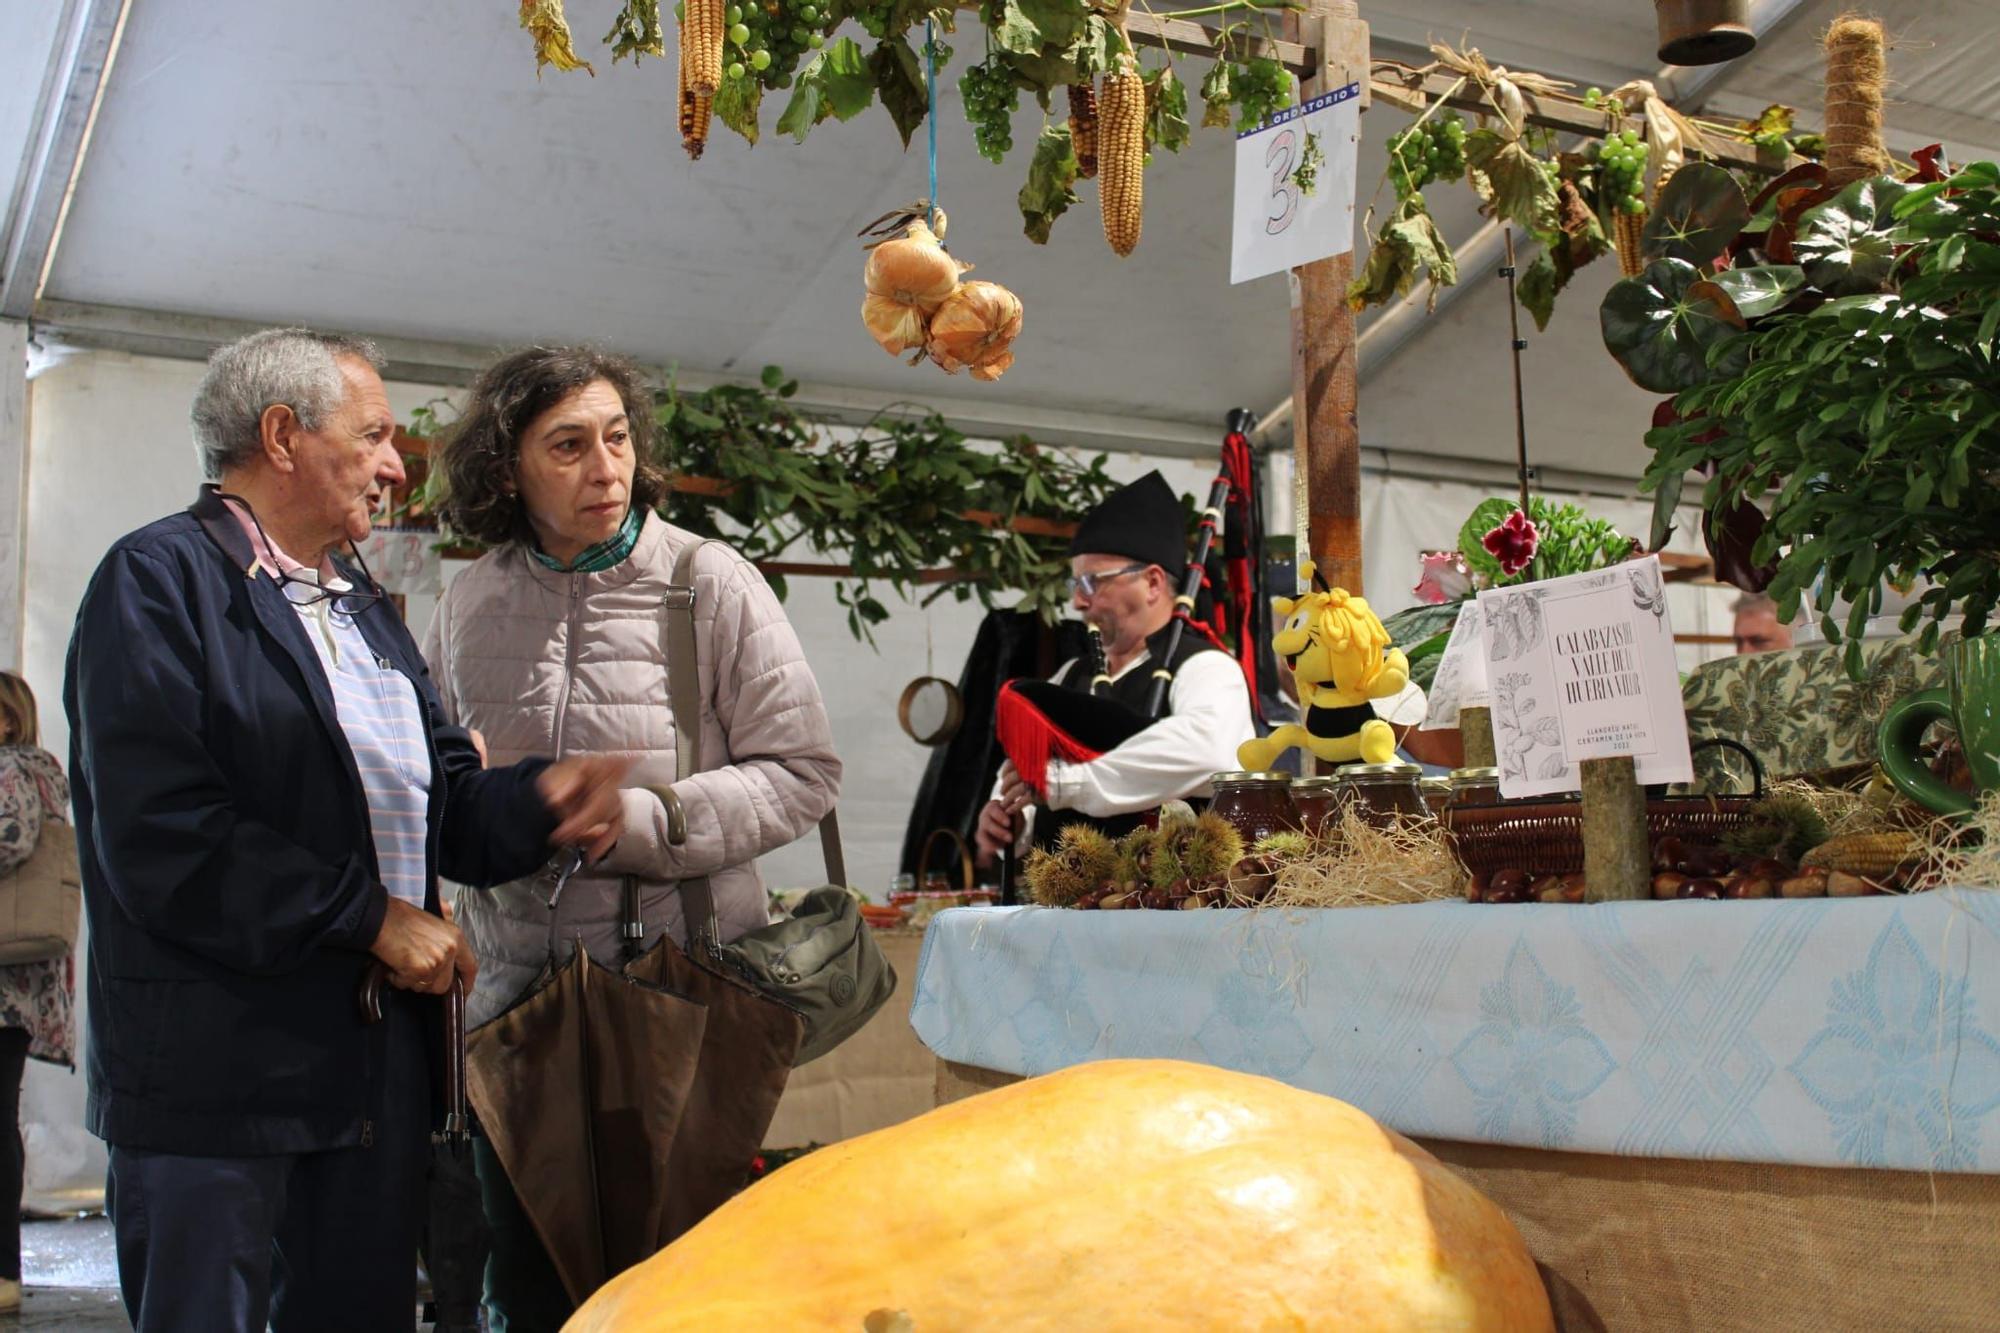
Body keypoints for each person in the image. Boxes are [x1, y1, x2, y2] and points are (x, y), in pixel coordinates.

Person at [62, 328, 630, 1333]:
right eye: (371, 436)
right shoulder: (160, 582)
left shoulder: (360, 604)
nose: (393, 465)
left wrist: (541, 798)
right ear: (282, 435)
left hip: (365, 1077)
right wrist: (370, 917)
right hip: (216, 1084)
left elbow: (441, 800)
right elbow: (164, 833)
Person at [422, 345, 841, 1330]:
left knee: (686, 1292)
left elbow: (804, 773)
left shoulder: (709, 582)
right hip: (517, 1006)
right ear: (505, 467)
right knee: (527, 1284)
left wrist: (648, 820)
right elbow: (440, 790)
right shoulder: (468, 601)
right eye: (566, 446)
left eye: (615, 439)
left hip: (683, 995)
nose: (604, 467)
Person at [974, 471, 1255, 862]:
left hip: (1169, 912)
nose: (1077, 603)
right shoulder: (1069, 677)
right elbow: (1026, 769)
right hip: (1068, 911)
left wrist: (1066, 783)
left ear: (1152, 583)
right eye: (1075, 586)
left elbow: (1208, 754)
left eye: (1091, 583)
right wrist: (1014, 820)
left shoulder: (1206, 667)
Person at [0, 674, 73, 1314]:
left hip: (5, 982)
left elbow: (12, 837)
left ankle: (2, 1270)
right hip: (26, 982)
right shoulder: (45, 769)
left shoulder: (10, 770)